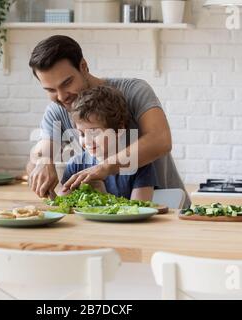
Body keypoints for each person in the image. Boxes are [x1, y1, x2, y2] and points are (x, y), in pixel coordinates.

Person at [26, 34, 191, 207]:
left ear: (83, 66)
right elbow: (39, 155)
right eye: (50, 89)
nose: (61, 96)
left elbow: (160, 140)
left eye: (67, 83)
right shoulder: (56, 111)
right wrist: (43, 163)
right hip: (105, 218)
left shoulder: (134, 90)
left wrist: (105, 168)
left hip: (166, 209)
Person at [61, 85, 157, 201]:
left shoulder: (141, 165)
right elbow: (62, 206)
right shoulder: (75, 164)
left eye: (94, 133)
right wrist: (51, 194)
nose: (87, 141)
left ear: (119, 129)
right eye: (81, 134)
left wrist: (104, 197)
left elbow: (140, 210)